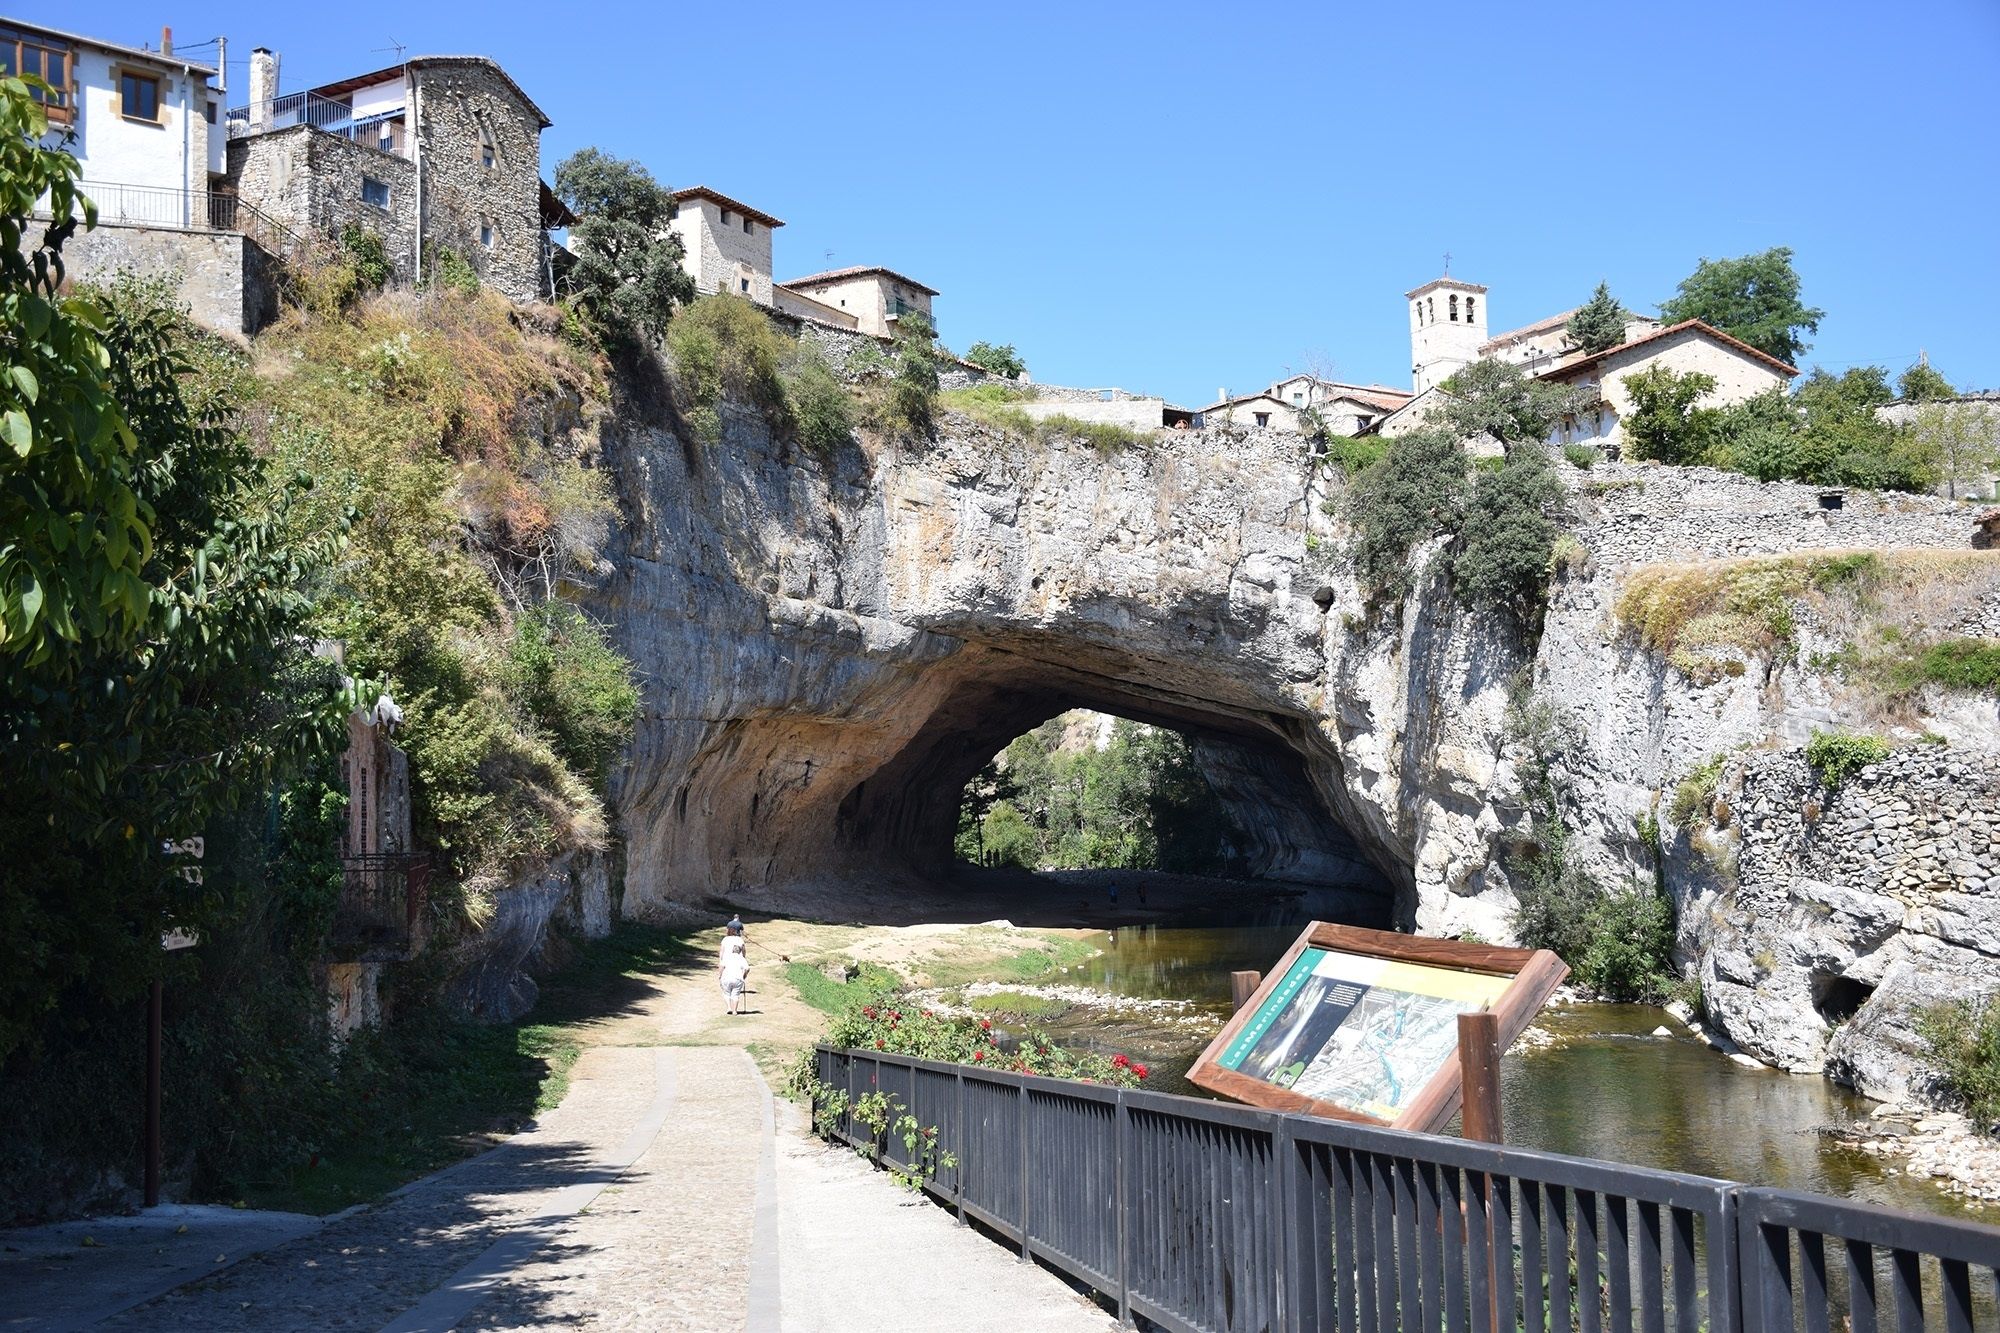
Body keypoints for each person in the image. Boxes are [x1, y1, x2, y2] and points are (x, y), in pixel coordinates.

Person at [720, 933, 750, 1015]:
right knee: (735, 995)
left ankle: (729, 1007)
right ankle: (734, 1011)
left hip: (726, 977)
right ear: (740, 951)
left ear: (732, 950)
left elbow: (721, 966)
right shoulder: (742, 958)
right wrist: (744, 976)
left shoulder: (727, 957)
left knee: (726, 993)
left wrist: (720, 976)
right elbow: (747, 968)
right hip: (738, 978)